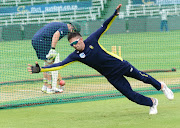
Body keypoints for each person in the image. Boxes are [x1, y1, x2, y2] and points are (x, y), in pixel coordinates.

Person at [28, 4, 174, 114]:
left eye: (76, 42)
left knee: (142, 77)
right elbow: (59, 65)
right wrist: (41, 69)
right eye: (71, 44)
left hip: (120, 65)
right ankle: (152, 102)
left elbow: (104, 26)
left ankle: (162, 87)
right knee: (130, 95)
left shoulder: (92, 40)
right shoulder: (75, 56)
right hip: (111, 75)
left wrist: (114, 15)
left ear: (81, 39)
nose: (74, 45)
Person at [31, 21, 81, 94]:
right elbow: (56, 35)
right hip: (42, 41)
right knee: (51, 64)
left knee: (47, 63)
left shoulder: (61, 25)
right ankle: (50, 88)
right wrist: (52, 49)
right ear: (72, 27)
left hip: (36, 40)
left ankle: (45, 86)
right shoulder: (65, 28)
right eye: (74, 32)